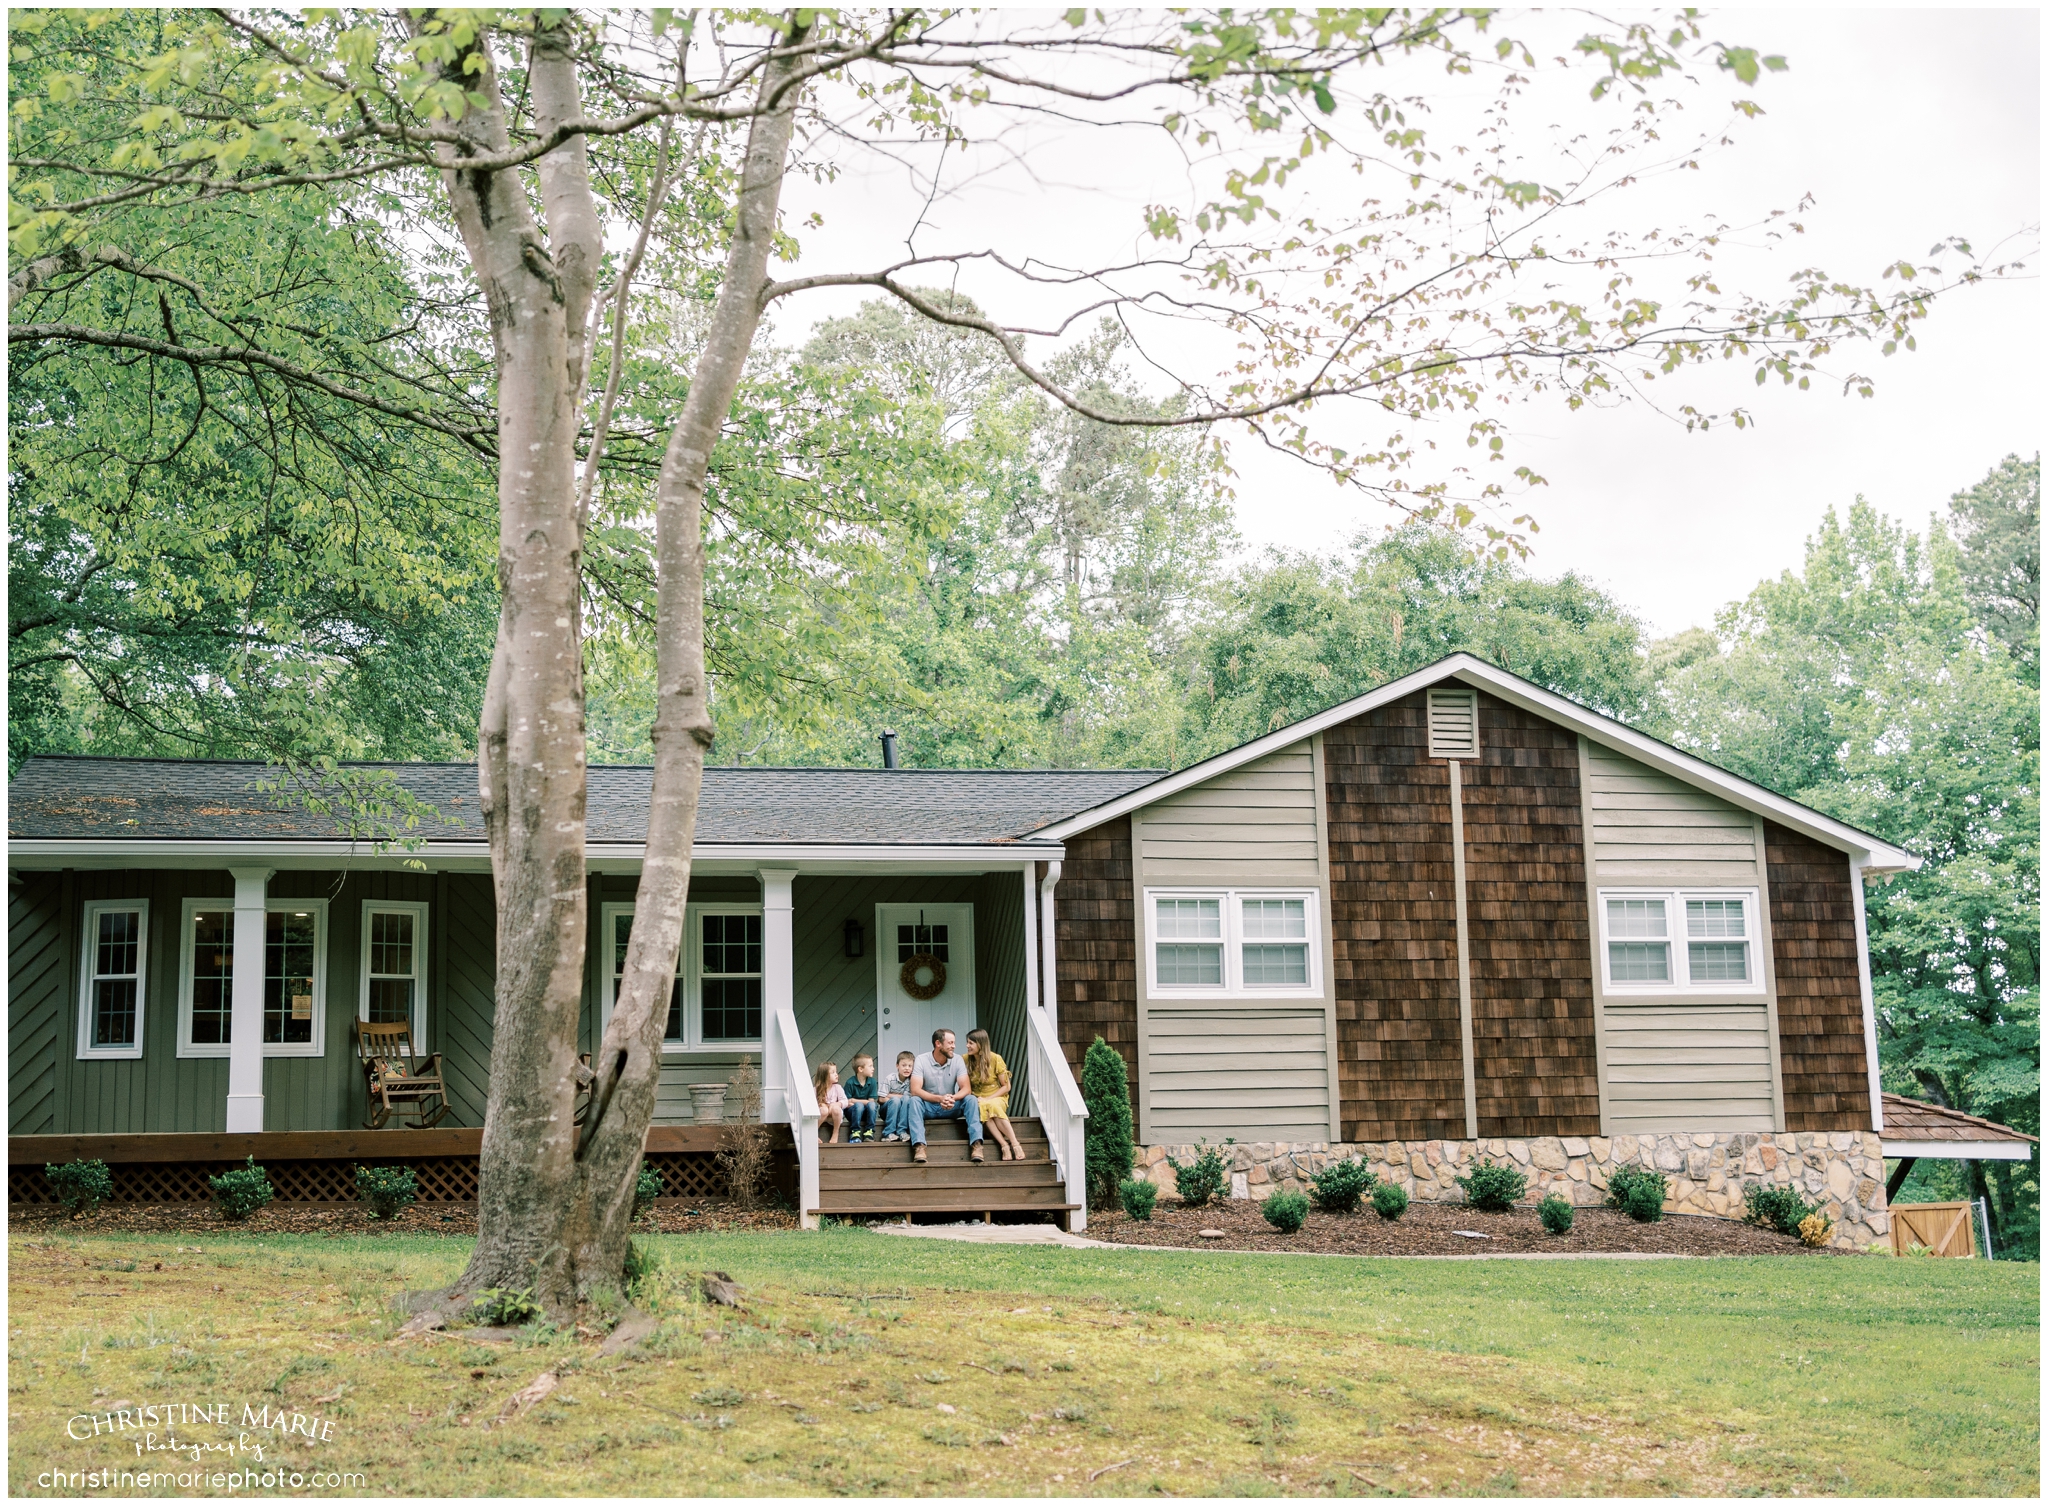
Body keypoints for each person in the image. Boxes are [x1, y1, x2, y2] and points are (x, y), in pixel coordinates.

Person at [907, 1027, 984, 1165]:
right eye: (950, 1043)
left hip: (951, 1106)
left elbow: (966, 1088)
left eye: (954, 1043)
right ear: (938, 1044)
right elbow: (915, 1090)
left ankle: (977, 1145)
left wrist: (951, 1098)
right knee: (914, 1101)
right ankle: (919, 1147)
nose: (953, 1046)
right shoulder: (921, 1060)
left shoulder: (957, 1060)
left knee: (971, 1099)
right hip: (929, 1107)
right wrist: (939, 1099)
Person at [964, 1028, 1025, 1161]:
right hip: (977, 1097)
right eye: (967, 1043)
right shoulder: (965, 1059)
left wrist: (988, 1098)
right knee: (982, 1108)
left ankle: (1015, 1143)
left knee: (992, 1106)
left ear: (980, 1044)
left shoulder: (995, 1059)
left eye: (971, 1043)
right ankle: (1004, 1145)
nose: (967, 1046)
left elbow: (1006, 1086)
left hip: (996, 1096)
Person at [879, 1050, 917, 1142]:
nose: (907, 1068)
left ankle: (902, 1131)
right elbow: (881, 1099)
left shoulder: (912, 1081)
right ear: (897, 1066)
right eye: (904, 1065)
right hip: (887, 1111)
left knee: (907, 1099)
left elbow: (909, 1098)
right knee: (896, 1100)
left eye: (910, 1066)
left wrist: (890, 1095)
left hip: (902, 1112)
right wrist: (896, 1098)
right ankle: (888, 1132)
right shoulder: (890, 1078)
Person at [843, 1053, 881, 1142]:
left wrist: (855, 1100)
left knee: (871, 1105)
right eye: (870, 1066)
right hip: (852, 1113)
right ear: (860, 1069)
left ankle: (869, 1131)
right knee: (859, 1106)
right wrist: (863, 1102)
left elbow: (871, 1102)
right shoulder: (850, 1082)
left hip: (866, 1113)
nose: (873, 1068)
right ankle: (855, 1131)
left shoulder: (872, 1082)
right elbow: (848, 1102)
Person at [814, 1061, 848, 1144]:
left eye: (836, 1072)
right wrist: (821, 1104)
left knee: (836, 1109)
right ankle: (814, 1132)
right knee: (823, 1110)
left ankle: (835, 1132)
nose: (836, 1074)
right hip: (822, 1115)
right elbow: (812, 1104)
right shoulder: (816, 1089)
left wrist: (837, 1104)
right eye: (833, 1072)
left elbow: (845, 1101)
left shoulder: (837, 1087)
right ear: (824, 1075)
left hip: (834, 1116)